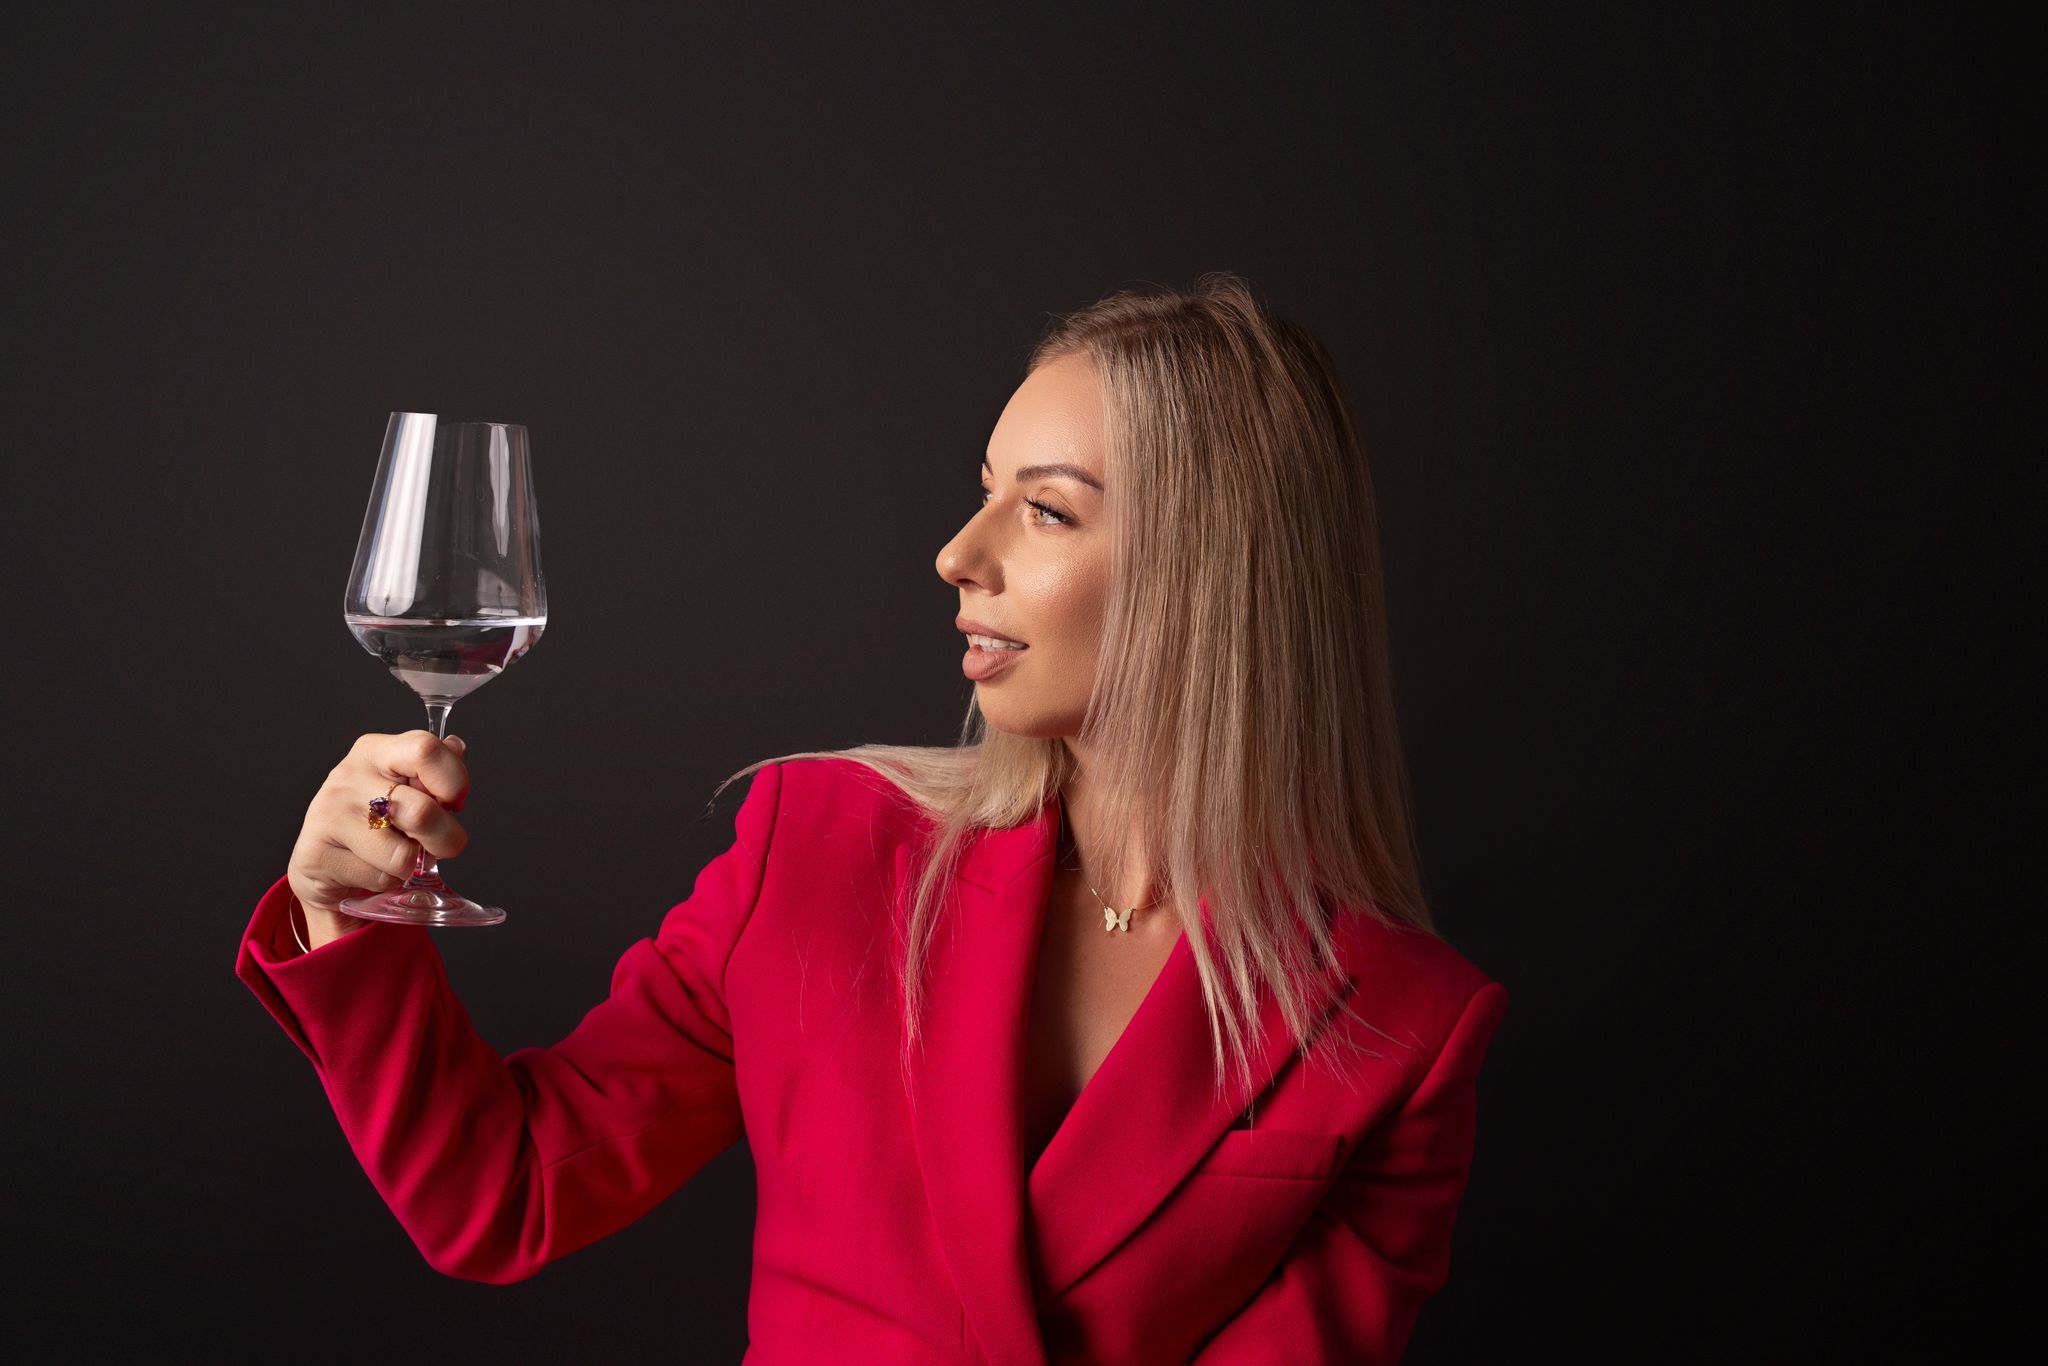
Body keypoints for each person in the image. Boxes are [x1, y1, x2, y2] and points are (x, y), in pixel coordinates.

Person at [236, 273, 1510, 1364]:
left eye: (1045, 509)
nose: (958, 552)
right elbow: (501, 1191)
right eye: (983, 490)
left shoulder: (1404, 1027)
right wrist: (345, 916)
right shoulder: (819, 843)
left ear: (1214, 573)